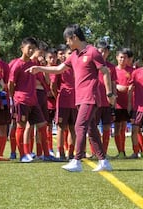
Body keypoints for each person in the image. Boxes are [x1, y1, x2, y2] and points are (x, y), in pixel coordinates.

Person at [26, 24, 115, 172]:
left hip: (90, 97)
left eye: (68, 40)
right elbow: (59, 69)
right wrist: (39, 69)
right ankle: (104, 161)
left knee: (79, 126)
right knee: (91, 129)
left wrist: (109, 93)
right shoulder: (74, 55)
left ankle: (77, 160)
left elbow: (105, 72)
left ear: (74, 37)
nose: (67, 43)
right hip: (79, 98)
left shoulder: (93, 52)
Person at [8, 37, 50, 163]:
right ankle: (23, 155)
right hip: (21, 100)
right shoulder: (17, 65)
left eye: (33, 48)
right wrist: (13, 98)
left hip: (34, 100)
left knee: (43, 126)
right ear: (22, 48)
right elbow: (11, 83)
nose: (31, 50)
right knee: (21, 127)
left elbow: (43, 80)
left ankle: (46, 154)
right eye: (29, 48)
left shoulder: (33, 65)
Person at [91, 39, 117, 156]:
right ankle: (94, 151)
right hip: (95, 100)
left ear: (108, 53)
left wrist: (114, 98)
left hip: (107, 102)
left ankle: (104, 151)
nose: (102, 54)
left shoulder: (111, 67)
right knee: (93, 127)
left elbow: (113, 83)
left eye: (105, 51)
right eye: (100, 51)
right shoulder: (92, 65)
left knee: (107, 127)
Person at [51, 47, 77, 160]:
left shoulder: (77, 67)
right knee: (61, 127)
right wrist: (59, 97)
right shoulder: (60, 68)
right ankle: (60, 152)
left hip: (75, 101)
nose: (71, 55)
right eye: (69, 53)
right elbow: (53, 85)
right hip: (63, 102)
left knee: (73, 128)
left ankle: (71, 152)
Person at [113, 48, 133, 158]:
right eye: (120, 57)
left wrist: (130, 88)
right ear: (117, 58)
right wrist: (116, 86)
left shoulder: (132, 71)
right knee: (117, 127)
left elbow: (133, 85)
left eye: (124, 57)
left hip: (128, 103)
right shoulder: (113, 70)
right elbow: (110, 83)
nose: (122, 59)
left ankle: (123, 151)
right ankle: (120, 151)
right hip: (117, 104)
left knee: (124, 127)